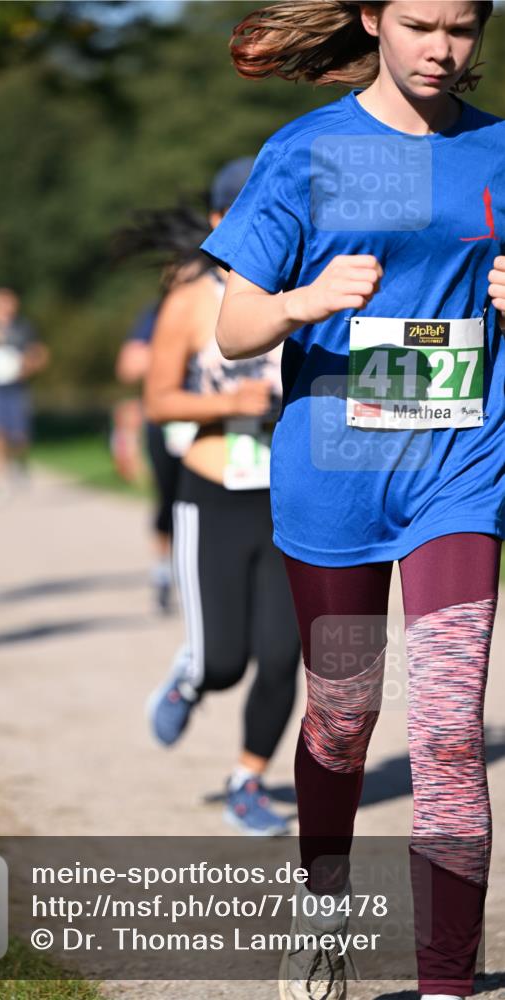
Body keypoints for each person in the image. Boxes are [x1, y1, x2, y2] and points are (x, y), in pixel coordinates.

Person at [201, 1, 503, 997]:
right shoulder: (308, 151)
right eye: (420, 23)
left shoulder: (497, 148)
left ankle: (445, 982)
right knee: (341, 720)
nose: (441, 48)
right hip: (333, 474)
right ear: (372, 18)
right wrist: (302, 300)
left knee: (452, 727)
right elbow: (233, 328)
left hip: (459, 468)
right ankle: (320, 918)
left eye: (462, 27)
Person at [142, 158, 302, 835]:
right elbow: (155, 400)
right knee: (224, 661)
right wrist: (229, 402)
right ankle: (190, 678)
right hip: (211, 493)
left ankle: (248, 779)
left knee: (283, 655)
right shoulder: (187, 300)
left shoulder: (305, 290)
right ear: (217, 224)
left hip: (291, 498)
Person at [115, 300, 182, 612]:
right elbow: (128, 367)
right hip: (165, 422)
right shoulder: (155, 313)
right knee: (167, 500)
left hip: (214, 424)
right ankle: (162, 572)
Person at [0, 287, 49, 480]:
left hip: (16, 386)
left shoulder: (22, 327)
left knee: (19, 432)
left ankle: (17, 463)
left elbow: (39, 353)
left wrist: (28, 366)